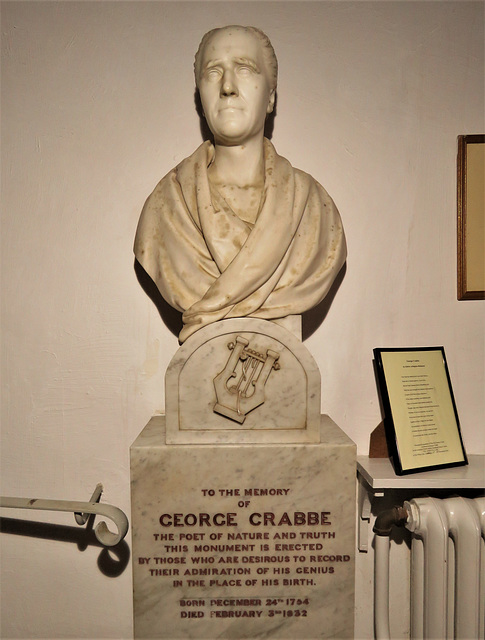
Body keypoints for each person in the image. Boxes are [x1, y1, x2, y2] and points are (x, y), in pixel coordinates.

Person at [134, 25, 346, 343]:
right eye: (213, 72)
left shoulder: (315, 211)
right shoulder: (166, 208)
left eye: (244, 69)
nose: (228, 87)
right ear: (200, 98)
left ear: (270, 96)